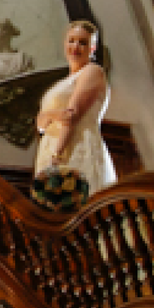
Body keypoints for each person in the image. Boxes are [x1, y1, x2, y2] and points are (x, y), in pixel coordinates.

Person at [29, 18, 114, 215]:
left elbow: (71, 118)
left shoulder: (92, 71)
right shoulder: (62, 83)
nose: (76, 46)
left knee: (81, 213)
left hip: (74, 148)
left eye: (83, 42)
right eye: (72, 40)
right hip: (48, 148)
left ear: (92, 48)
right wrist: (52, 114)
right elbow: (40, 124)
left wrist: (57, 157)